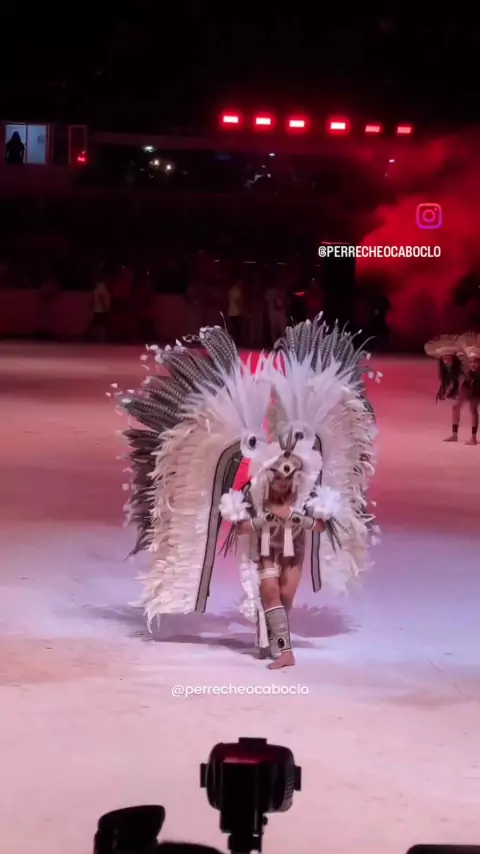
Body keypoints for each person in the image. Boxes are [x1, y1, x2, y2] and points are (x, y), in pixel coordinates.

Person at [114, 315, 378, 668]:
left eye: (288, 472)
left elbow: (316, 527)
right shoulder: (261, 486)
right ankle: (281, 648)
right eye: (279, 472)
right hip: (263, 551)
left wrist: (310, 516)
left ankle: (275, 640)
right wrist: (254, 519)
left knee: (284, 598)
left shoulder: (302, 486)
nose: (284, 476)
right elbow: (243, 528)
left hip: (293, 553)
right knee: (269, 593)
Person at [425, 334, 478, 444]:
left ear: (454, 358)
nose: (447, 361)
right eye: (444, 359)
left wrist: (460, 391)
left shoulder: (462, 366)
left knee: (472, 409)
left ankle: (473, 437)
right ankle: (455, 435)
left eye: (449, 359)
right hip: (467, 385)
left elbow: (464, 380)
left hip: (473, 385)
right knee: (458, 408)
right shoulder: (449, 369)